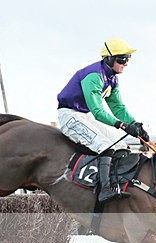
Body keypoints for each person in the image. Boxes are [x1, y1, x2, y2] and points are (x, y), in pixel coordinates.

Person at [56, 38, 149, 203]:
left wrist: (135, 125)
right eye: (122, 59)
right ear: (109, 59)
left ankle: (116, 184)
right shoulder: (94, 76)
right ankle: (104, 190)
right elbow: (98, 111)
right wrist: (122, 125)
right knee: (105, 146)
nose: (126, 63)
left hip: (85, 115)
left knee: (121, 146)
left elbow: (118, 108)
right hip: (70, 115)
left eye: (128, 59)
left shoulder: (112, 79)